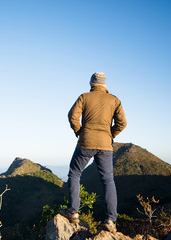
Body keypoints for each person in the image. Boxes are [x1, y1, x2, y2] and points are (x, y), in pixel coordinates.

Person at [60, 72, 127, 232]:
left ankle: (73, 212)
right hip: (106, 145)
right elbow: (122, 123)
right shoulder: (114, 100)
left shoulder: (84, 97)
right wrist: (111, 134)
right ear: (104, 85)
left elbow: (72, 116)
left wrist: (80, 131)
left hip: (86, 142)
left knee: (74, 173)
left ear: (92, 83)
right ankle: (111, 220)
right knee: (107, 180)